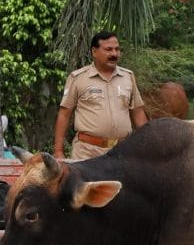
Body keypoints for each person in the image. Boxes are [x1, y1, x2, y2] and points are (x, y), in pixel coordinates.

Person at [52, 31, 148, 160]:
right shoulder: (78, 78)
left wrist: (148, 146)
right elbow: (64, 114)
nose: (114, 54)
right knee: (88, 181)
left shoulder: (128, 77)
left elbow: (138, 113)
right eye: (108, 49)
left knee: (121, 181)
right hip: (87, 153)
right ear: (94, 52)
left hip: (122, 152)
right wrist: (58, 151)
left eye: (117, 49)